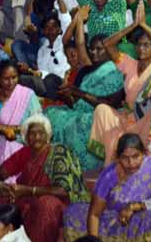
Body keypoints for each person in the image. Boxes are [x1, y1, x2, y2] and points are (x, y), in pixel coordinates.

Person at [88, 2, 151, 165]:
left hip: (144, 120)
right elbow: (108, 44)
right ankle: (111, 166)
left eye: (147, 45)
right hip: (126, 118)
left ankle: (142, 163)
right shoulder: (129, 63)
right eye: (139, 44)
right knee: (102, 110)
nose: (141, 48)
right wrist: (134, 25)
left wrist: (145, 26)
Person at [0, 115, 90, 242]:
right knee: (1, 194)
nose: (36, 137)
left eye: (41, 133)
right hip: (27, 199)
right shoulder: (25, 153)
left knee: (46, 204)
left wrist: (28, 190)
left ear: (48, 136)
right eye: (32, 134)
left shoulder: (58, 152)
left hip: (56, 204)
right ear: (26, 137)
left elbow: (63, 190)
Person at [46, 9, 125, 172]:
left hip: (100, 115)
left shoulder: (114, 72)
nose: (94, 52)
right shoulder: (87, 70)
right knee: (50, 112)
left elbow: (111, 103)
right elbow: (75, 103)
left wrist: (79, 92)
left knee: (78, 123)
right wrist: (68, 95)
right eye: (93, 49)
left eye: (99, 49)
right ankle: (55, 164)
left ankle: (81, 166)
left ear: (110, 51)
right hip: (80, 111)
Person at [62, 133, 151, 242]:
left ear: (143, 153)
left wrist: (135, 207)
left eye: (136, 156)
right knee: (72, 212)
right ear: (118, 157)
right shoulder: (109, 175)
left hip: (139, 222)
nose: (131, 163)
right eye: (125, 158)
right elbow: (95, 214)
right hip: (111, 220)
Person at [0, 59, 42, 197]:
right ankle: (2, 189)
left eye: (14, 77)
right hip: (0, 144)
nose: (11, 83)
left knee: (14, 146)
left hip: (28, 143)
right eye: (6, 79)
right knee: (7, 145)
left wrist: (9, 130)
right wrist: (9, 130)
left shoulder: (27, 95)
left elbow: (38, 124)